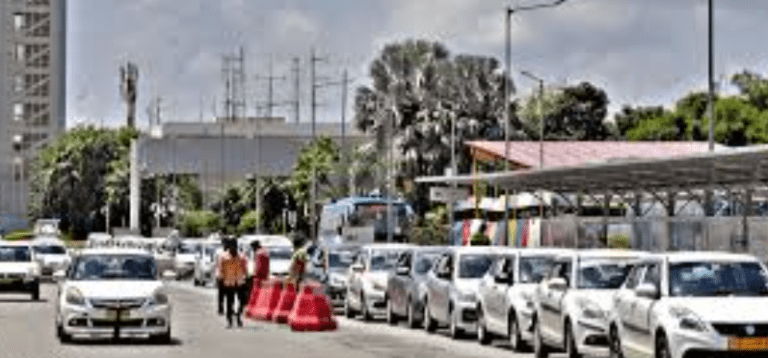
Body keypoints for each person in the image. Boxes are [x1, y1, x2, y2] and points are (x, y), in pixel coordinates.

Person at [217, 237, 247, 328]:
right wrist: (220, 279)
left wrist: (245, 278)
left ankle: (238, 316)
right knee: (230, 303)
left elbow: (244, 269)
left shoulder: (241, 257)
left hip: (239, 282)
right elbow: (220, 270)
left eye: (235, 246)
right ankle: (229, 320)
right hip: (228, 283)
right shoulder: (223, 257)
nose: (233, 249)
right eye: (232, 247)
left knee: (242, 301)